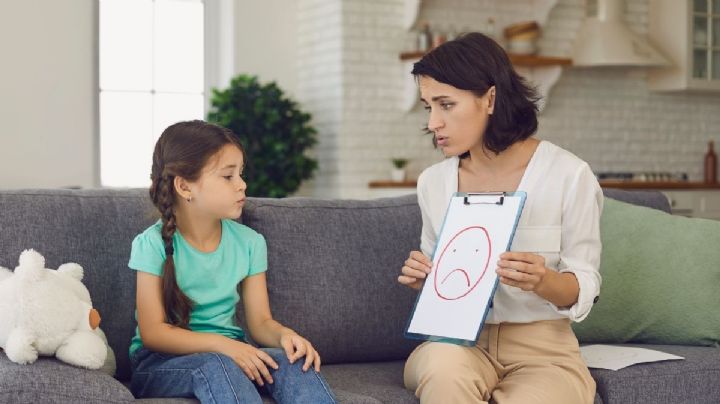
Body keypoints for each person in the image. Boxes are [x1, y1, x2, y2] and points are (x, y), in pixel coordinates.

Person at [398, 33, 601, 404]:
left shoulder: (569, 175)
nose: (433, 122)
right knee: (443, 373)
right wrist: (425, 279)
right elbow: (440, 289)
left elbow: (583, 285)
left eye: (446, 105)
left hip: (543, 352)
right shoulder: (434, 183)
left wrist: (543, 280)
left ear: (489, 98)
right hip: (455, 343)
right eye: (428, 106)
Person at [128, 120, 337, 404]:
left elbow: (261, 322)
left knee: (293, 363)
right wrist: (223, 347)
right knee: (216, 365)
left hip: (231, 353)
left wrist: (285, 336)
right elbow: (153, 332)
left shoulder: (250, 243)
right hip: (159, 363)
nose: (242, 185)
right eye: (228, 176)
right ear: (184, 186)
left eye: (241, 174)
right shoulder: (151, 244)